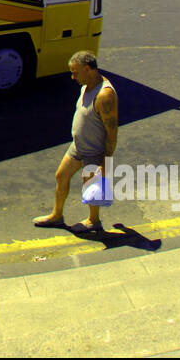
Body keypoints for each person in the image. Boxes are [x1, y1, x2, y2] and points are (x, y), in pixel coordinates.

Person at [34, 51, 119, 233]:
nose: (72, 77)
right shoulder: (86, 86)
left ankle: (93, 221)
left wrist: (105, 163)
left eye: (75, 73)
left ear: (88, 69)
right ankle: (57, 216)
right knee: (61, 176)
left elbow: (112, 132)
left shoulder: (105, 96)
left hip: (94, 151)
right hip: (78, 146)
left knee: (92, 188)